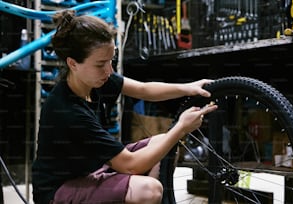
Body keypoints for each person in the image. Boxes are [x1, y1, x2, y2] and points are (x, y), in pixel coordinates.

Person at [31, 10, 218, 204]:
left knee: (163, 145)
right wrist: (181, 128)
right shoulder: (68, 110)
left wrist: (188, 88)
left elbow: (144, 89)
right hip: (58, 190)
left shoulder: (96, 81)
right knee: (149, 190)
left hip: (91, 170)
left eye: (111, 60)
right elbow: (131, 166)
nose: (109, 70)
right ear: (73, 64)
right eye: (101, 64)